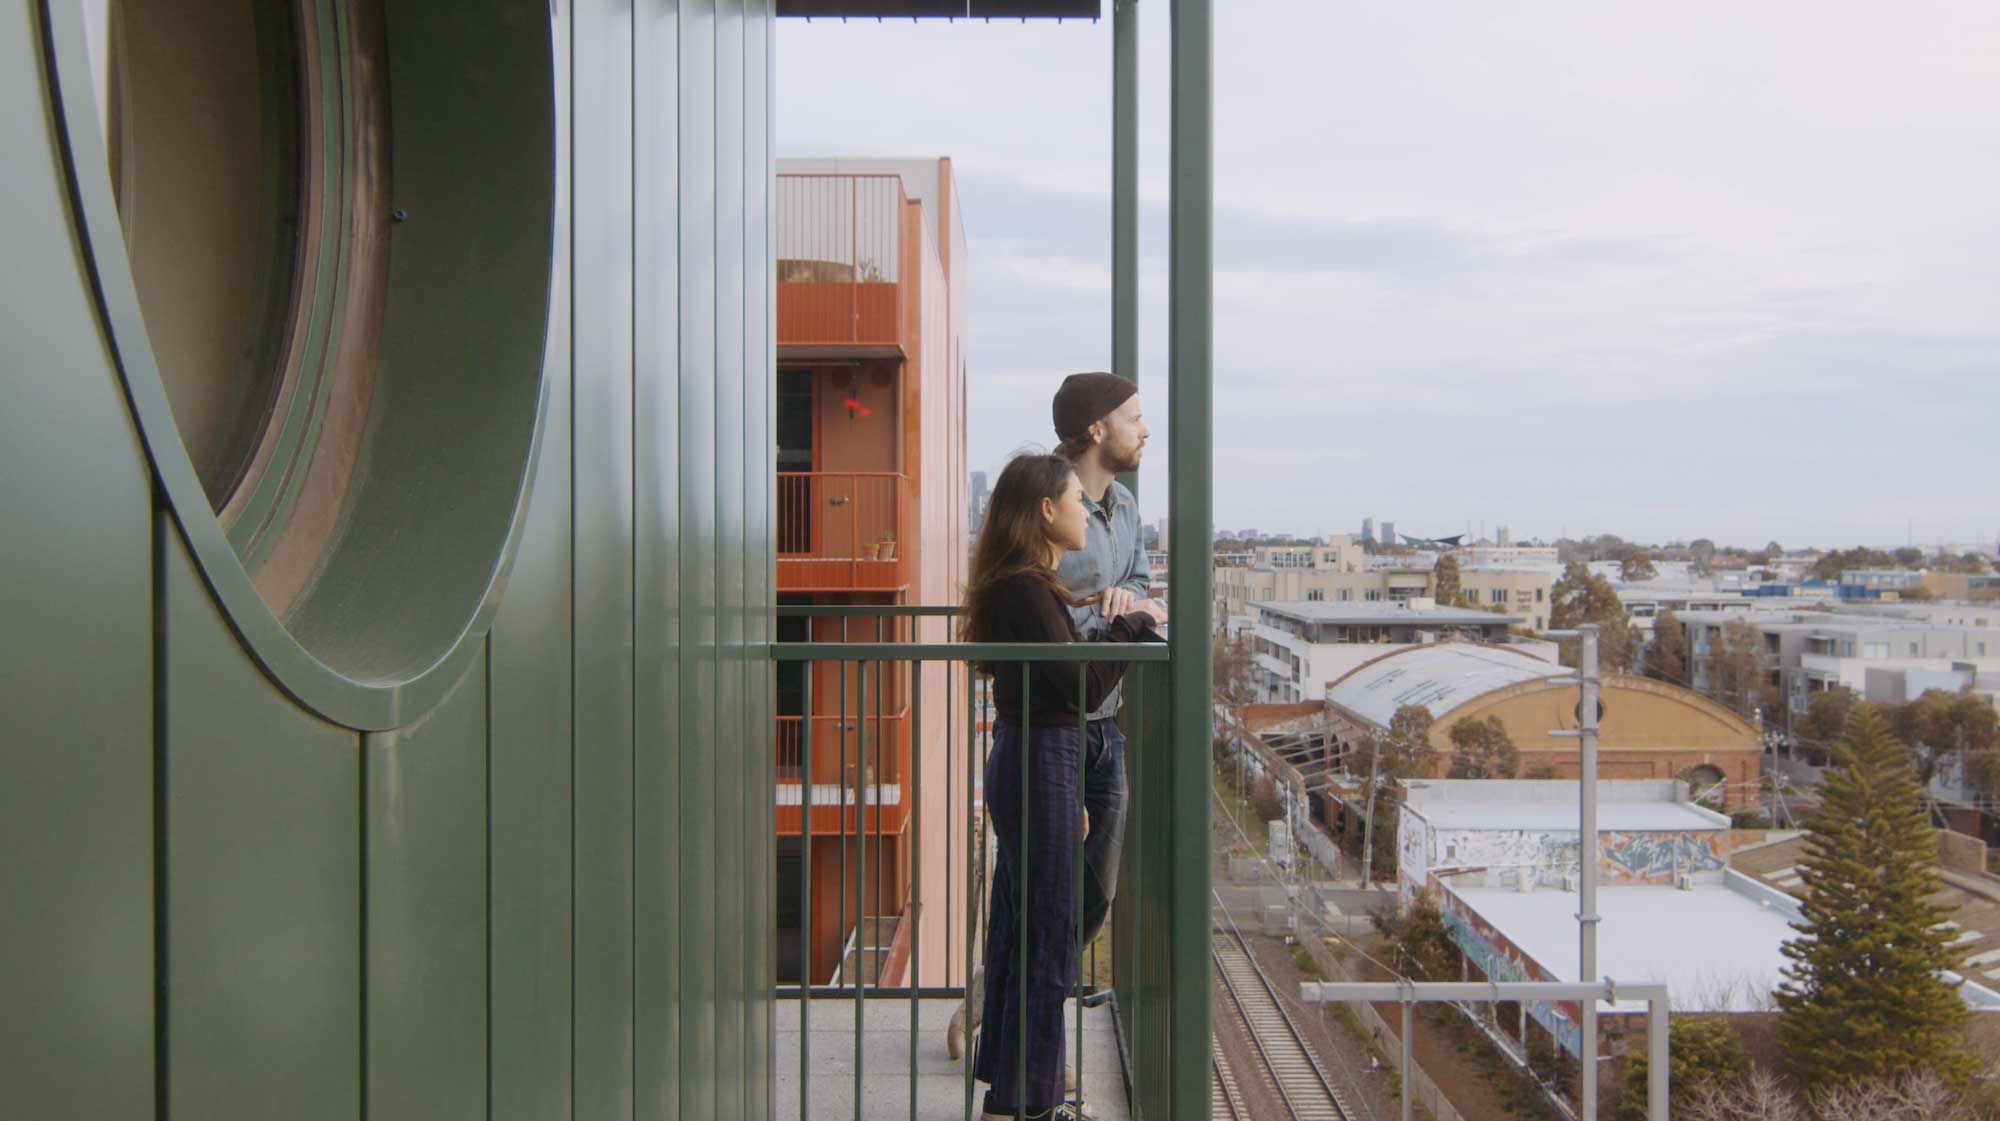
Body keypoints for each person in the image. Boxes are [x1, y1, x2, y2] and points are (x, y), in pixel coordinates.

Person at [964, 453, 1162, 1121]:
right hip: (1040, 755)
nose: (1086, 512)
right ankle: (1035, 1102)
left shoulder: (1028, 587)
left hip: (1037, 754)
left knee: (1027, 928)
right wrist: (1135, 626)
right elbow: (1079, 686)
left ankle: (1009, 1093)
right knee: (1048, 931)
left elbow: (1060, 684)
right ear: (1046, 511)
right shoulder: (1027, 591)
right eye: (1077, 500)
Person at [1050, 372, 1166, 952]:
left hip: (1106, 718)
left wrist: (1134, 602)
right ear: (1097, 429)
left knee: (1098, 887)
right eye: (1134, 418)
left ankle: (1039, 984)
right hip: (1052, 719)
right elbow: (1028, 594)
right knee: (1039, 882)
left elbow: (1143, 583)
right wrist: (1108, 609)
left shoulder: (1125, 507)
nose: (1146, 430)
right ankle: (1020, 999)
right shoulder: (1044, 499)